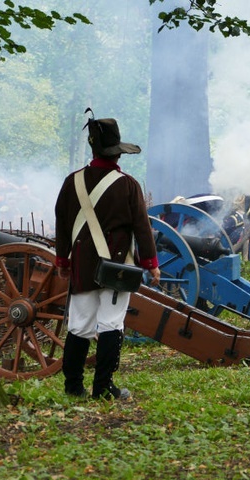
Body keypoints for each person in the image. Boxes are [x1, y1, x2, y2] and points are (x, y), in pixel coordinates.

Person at [55, 114, 161, 399]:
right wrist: (151, 264)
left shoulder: (71, 182)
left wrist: (63, 262)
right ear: (116, 153)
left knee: (79, 325)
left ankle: (73, 387)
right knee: (112, 323)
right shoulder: (128, 185)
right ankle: (102, 388)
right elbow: (142, 227)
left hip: (81, 266)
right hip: (117, 267)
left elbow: (62, 225)